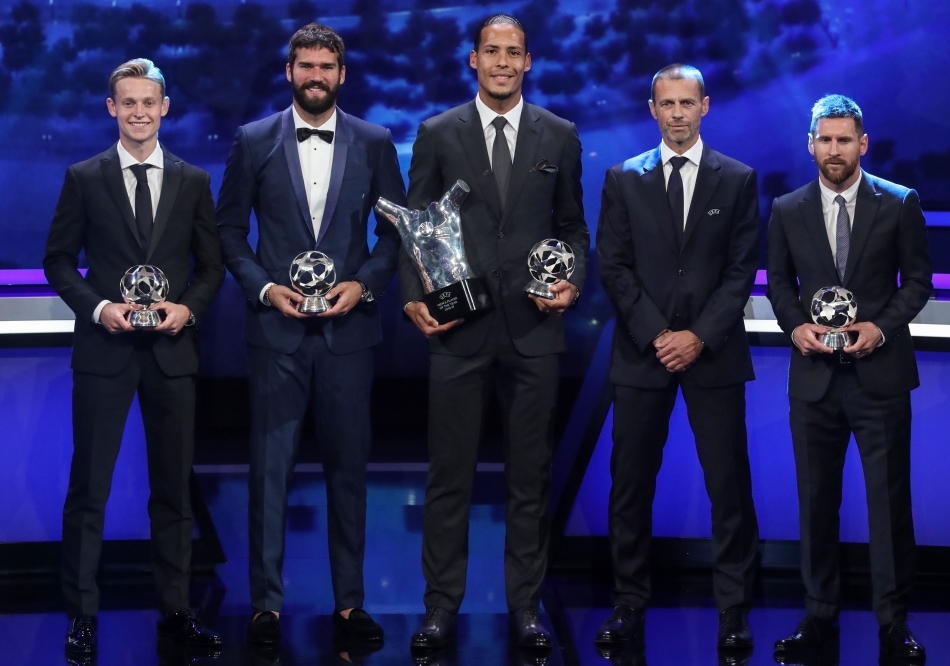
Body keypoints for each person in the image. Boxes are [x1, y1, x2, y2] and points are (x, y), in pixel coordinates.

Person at [400, 13, 589, 652]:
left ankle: (526, 608)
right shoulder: (437, 132)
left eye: (513, 52)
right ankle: (440, 608)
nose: (503, 62)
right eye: (492, 51)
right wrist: (410, 297)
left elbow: (573, 230)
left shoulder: (559, 136)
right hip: (459, 329)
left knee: (528, 477)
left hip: (535, 331)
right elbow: (415, 226)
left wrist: (572, 280)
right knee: (449, 475)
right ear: (472, 60)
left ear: (528, 62)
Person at [215, 23, 405, 647]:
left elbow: (395, 233)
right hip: (277, 334)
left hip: (349, 336)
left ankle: (349, 605)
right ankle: (265, 607)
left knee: (350, 472)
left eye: (327, 65)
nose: (316, 75)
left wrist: (366, 286)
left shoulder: (376, 142)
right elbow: (229, 232)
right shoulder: (253, 140)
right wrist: (266, 289)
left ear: (342, 74)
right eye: (306, 66)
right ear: (289, 71)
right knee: (269, 472)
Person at [43, 58, 225, 657]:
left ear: (164, 108)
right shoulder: (84, 177)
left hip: (172, 353)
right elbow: (59, 260)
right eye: (129, 103)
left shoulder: (194, 180)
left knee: (172, 490)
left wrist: (187, 309)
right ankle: (82, 615)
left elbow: (211, 265)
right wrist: (99, 309)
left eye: (150, 102)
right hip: (106, 351)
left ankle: (175, 611)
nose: (140, 112)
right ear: (112, 108)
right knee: (89, 488)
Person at [595, 64, 761, 651]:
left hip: (713, 355)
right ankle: (628, 604)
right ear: (652, 109)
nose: (677, 114)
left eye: (686, 103)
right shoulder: (623, 178)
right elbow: (611, 265)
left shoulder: (738, 179)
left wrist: (697, 336)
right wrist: (658, 334)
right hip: (643, 354)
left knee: (728, 486)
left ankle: (733, 611)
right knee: (630, 485)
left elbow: (742, 270)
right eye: (666, 104)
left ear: (705, 106)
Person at [766, 94, 932, 662]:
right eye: (825, 139)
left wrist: (879, 329)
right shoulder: (787, 208)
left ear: (863, 144)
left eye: (845, 140)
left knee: (889, 504)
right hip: (813, 379)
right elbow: (778, 285)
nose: (834, 150)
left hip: (879, 375)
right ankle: (818, 617)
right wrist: (794, 328)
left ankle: (893, 623)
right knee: (815, 502)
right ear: (810, 144)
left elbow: (917, 282)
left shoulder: (899, 202)